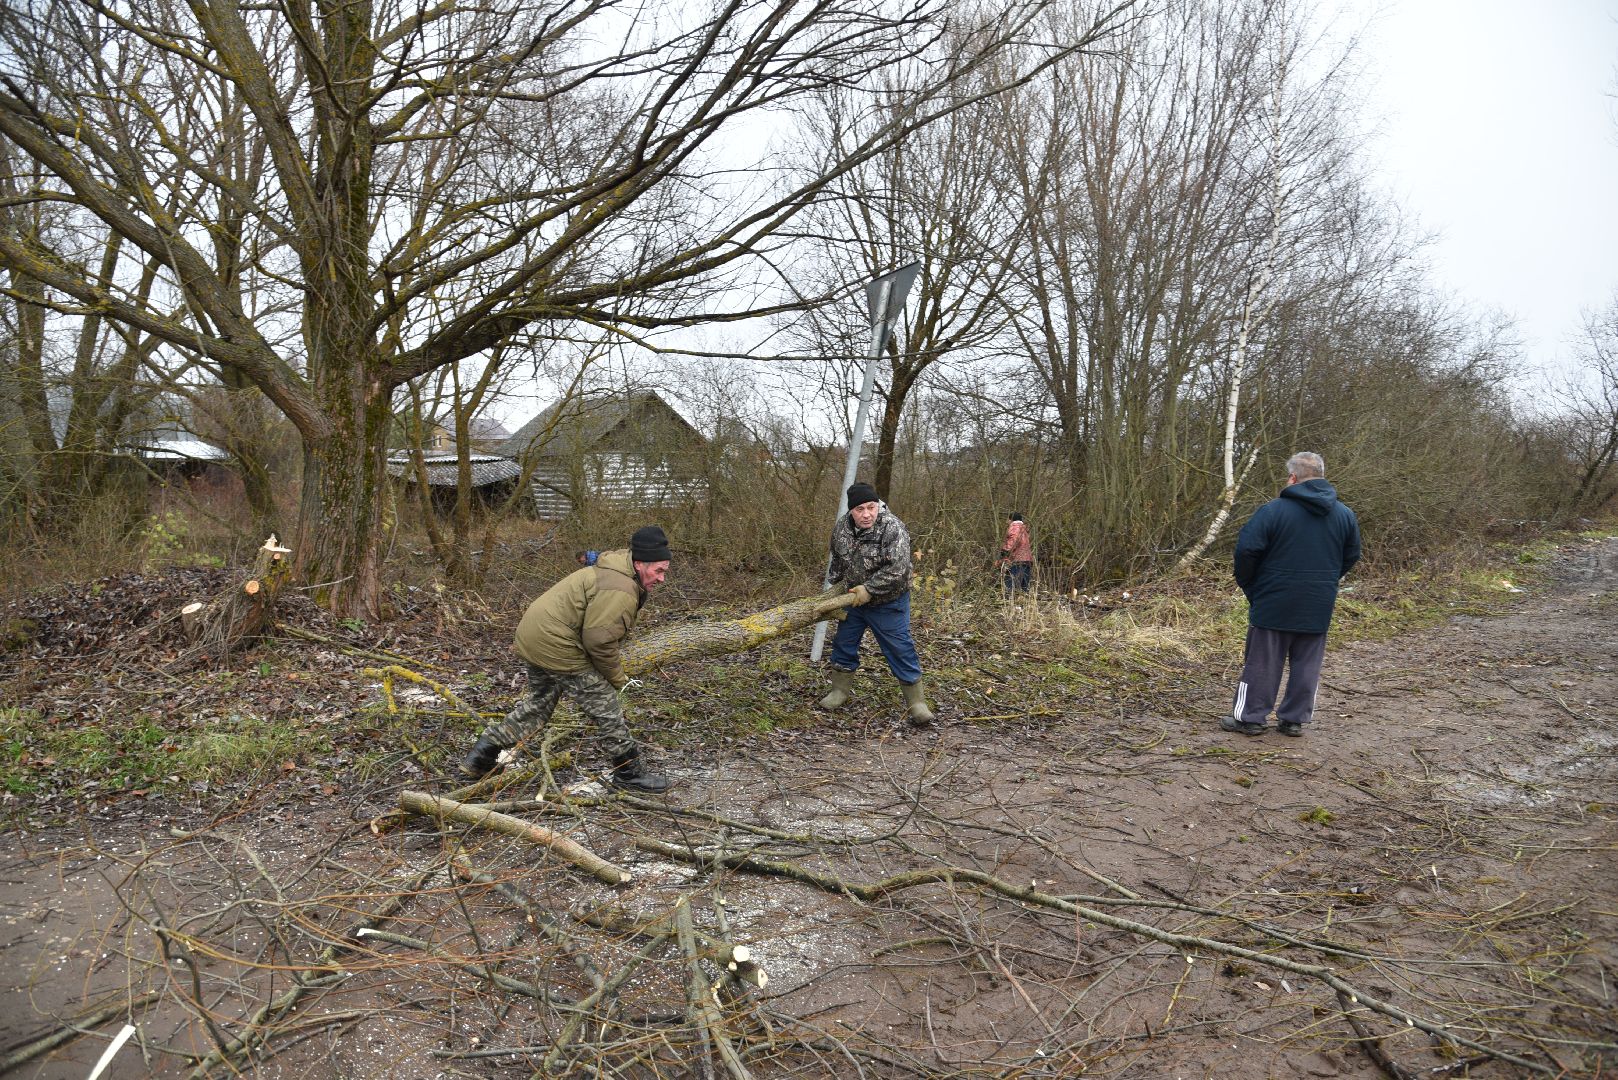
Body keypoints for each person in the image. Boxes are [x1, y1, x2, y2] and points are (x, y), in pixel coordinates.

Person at [459, 525, 674, 791]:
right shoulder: (620, 587)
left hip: (535, 637)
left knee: (540, 705)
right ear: (640, 564)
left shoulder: (616, 568)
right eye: (659, 570)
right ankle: (628, 774)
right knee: (606, 707)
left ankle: (481, 758)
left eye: (665, 570)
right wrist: (619, 679)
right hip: (555, 643)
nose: (663, 578)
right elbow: (599, 640)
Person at [1224, 452, 1361, 738]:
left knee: (1262, 662)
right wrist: (1326, 581)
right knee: (1307, 664)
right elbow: (1351, 555)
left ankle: (1250, 718)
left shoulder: (1273, 511)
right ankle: (1293, 720)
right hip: (1318, 601)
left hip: (1273, 598)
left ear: (1292, 478)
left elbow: (1246, 551)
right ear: (1321, 475)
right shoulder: (1345, 514)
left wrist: (1253, 586)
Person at [819, 482, 934, 726]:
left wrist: (869, 589)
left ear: (878, 505)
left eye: (871, 507)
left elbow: (898, 569)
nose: (867, 514)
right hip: (853, 601)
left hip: (889, 603)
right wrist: (836, 588)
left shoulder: (892, 527)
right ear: (851, 511)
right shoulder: (842, 528)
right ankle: (839, 691)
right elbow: (837, 561)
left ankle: (917, 703)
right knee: (843, 643)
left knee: (900, 648)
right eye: (860, 509)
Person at [998, 512, 1033, 595]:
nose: (1007, 522)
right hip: (1026, 560)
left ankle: (1010, 604)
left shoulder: (1015, 528)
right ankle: (1022, 606)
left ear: (1011, 520)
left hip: (1017, 561)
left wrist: (1004, 552)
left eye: (1008, 519)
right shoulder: (1024, 529)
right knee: (1023, 590)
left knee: (1010, 589)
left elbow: (1013, 540)